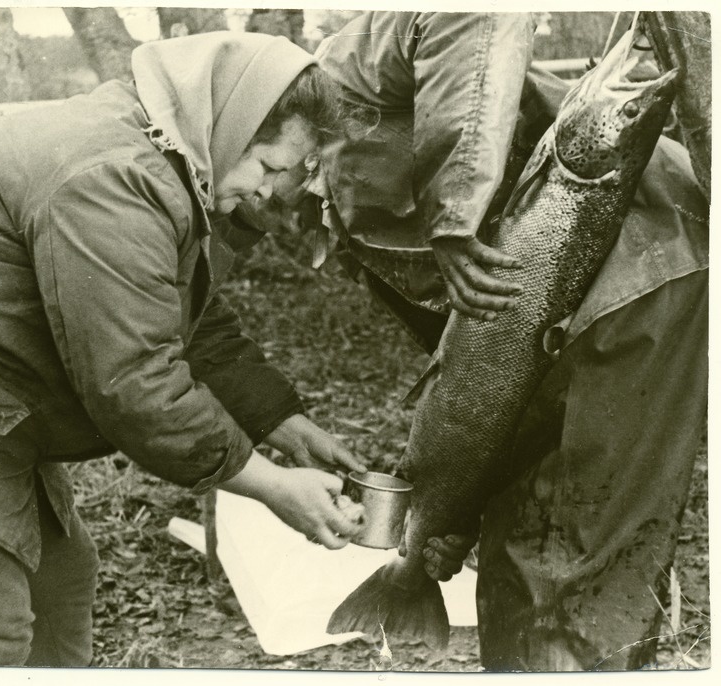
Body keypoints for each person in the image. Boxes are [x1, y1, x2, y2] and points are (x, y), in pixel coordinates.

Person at [242, 12, 709, 671]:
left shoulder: (344, 69)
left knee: (579, 551)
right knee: (517, 523)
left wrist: (454, 209)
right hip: (543, 321)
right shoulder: (331, 202)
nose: (246, 193)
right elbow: (474, 366)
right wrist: (452, 502)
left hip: (646, 278)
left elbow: (476, 12)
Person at [0, 32, 371, 667]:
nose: (271, 194)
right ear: (229, 120)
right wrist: (271, 485)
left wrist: (282, 422)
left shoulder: (167, 159)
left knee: (62, 587)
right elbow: (137, 383)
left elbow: (186, 321)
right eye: (270, 167)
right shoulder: (113, 176)